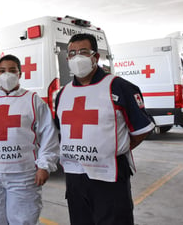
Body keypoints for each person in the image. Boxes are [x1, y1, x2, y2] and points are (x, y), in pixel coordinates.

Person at [55, 33, 155, 225]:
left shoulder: (119, 87)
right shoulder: (63, 93)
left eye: (83, 52)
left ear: (96, 57)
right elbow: (62, 130)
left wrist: (114, 148)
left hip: (110, 175)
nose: (77, 58)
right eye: (72, 53)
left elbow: (142, 129)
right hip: (75, 176)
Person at [0, 54, 60, 225]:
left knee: (23, 220)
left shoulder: (33, 101)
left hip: (23, 174)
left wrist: (45, 165)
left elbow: (48, 135)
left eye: (12, 70)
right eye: (2, 71)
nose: (7, 75)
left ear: (20, 74)